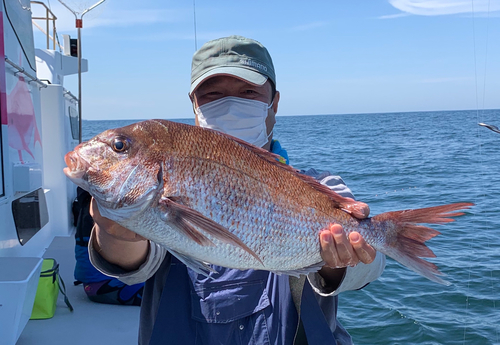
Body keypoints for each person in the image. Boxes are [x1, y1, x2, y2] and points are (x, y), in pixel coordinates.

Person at [89, 35, 386, 345]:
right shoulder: (173, 177)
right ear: (194, 105)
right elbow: (135, 266)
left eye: (248, 92)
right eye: (213, 94)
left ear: (274, 103)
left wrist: (339, 262)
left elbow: (371, 267)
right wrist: (113, 232)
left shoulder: (322, 187)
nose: (231, 105)